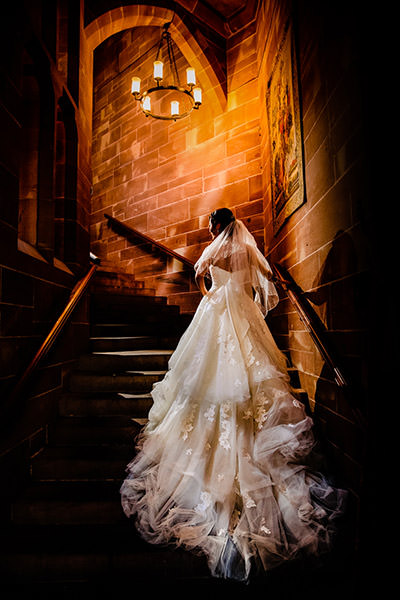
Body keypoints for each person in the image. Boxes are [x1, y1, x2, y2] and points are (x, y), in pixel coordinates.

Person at [120, 208, 346, 582]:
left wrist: (210, 294)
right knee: (252, 376)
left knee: (204, 381)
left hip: (218, 312)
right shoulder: (247, 248)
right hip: (244, 313)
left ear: (217, 226)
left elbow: (197, 275)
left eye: (210, 226)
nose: (209, 230)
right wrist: (248, 300)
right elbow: (267, 281)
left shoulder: (214, 250)